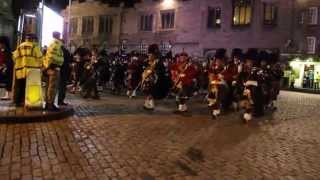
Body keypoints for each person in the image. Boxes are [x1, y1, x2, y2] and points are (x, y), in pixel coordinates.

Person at [12, 34, 43, 107]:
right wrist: (40, 67)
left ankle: (18, 102)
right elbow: (40, 58)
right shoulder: (34, 46)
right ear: (32, 39)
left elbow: (14, 57)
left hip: (20, 70)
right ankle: (27, 102)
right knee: (29, 87)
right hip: (31, 70)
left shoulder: (20, 46)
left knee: (20, 86)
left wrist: (19, 64)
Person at [44, 31, 64, 111]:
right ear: (58, 36)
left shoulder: (52, 43)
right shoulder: (57, 44)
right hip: (54, 68)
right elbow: (52, 56)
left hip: (50, 67)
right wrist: (54, 65)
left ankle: (48, 103)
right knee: (53, 87)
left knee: (49, 86)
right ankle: (50, 105)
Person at [0, 36, 13, 100]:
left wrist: (4, 67)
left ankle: (8, 94)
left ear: (4, 44)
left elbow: (9, 62)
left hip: (6, 69)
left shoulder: (8, 52)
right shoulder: (1, 51)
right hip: (2, 68)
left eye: (1, 44)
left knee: (8, 78)